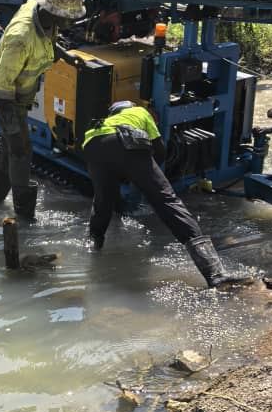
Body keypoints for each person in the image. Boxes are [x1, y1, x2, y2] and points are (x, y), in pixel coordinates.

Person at [82, 101, 245, 287]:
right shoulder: (139, 111)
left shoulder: (102, 123)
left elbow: (113, 162)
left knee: (103, 201)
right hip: (124, 140)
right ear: (129, 107)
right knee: (167, 201)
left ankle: (94, 249)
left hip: (92, 147)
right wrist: (146, 178)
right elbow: (159, 151)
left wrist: (128, 174)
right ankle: (215, 274)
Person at [0, 0, 86, 218]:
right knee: (20, 150)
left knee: (9, 146)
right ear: (54, 12)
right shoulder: (21, 38)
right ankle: (24, 216)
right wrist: (14, 128)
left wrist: (66, 57)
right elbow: (1, 88)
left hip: (17, 90)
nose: (71, 22)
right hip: (6, 96)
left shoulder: (41, 10)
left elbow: (47, 38)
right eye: (69, 17)